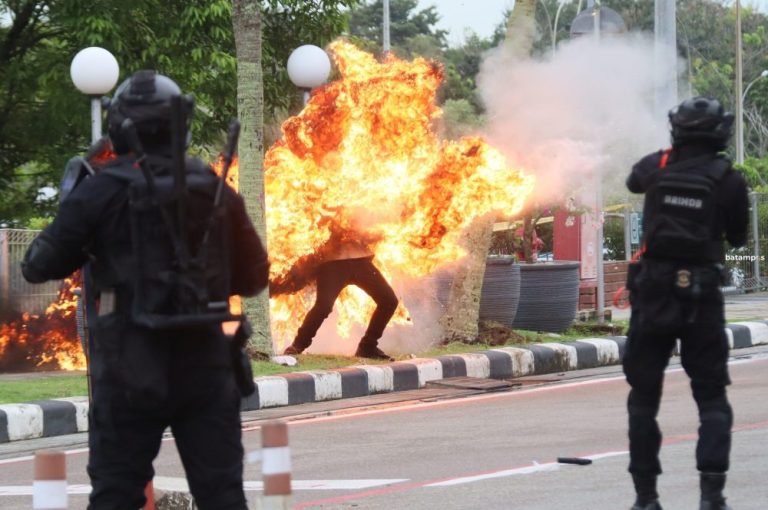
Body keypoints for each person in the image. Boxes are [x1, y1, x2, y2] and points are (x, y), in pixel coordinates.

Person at [21, 70, 269, 510]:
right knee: (222, 494)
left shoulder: (100, 191)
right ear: (180, 126)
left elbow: (39, 265)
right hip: (206, 365)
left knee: (116, 495)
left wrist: (75, 201)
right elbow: (254, 278)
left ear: (118, 128)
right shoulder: (213, 188)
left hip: (128, 368)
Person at [623, 96, 748, 510]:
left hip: (653, 294)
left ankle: (646, 498)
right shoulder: (728, 179)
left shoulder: (657, 165)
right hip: (701, 298)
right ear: (720, 132)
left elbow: (632, 181)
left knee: (643, 400)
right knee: (711, 398)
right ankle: (712, 497)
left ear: (676, 128)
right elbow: (738, 238)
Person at [279, 227, 399, 361]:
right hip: (332, 263)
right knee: (323, 306)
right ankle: (297, 346)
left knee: (389, 301)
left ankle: (368, 346)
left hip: (361, 260)